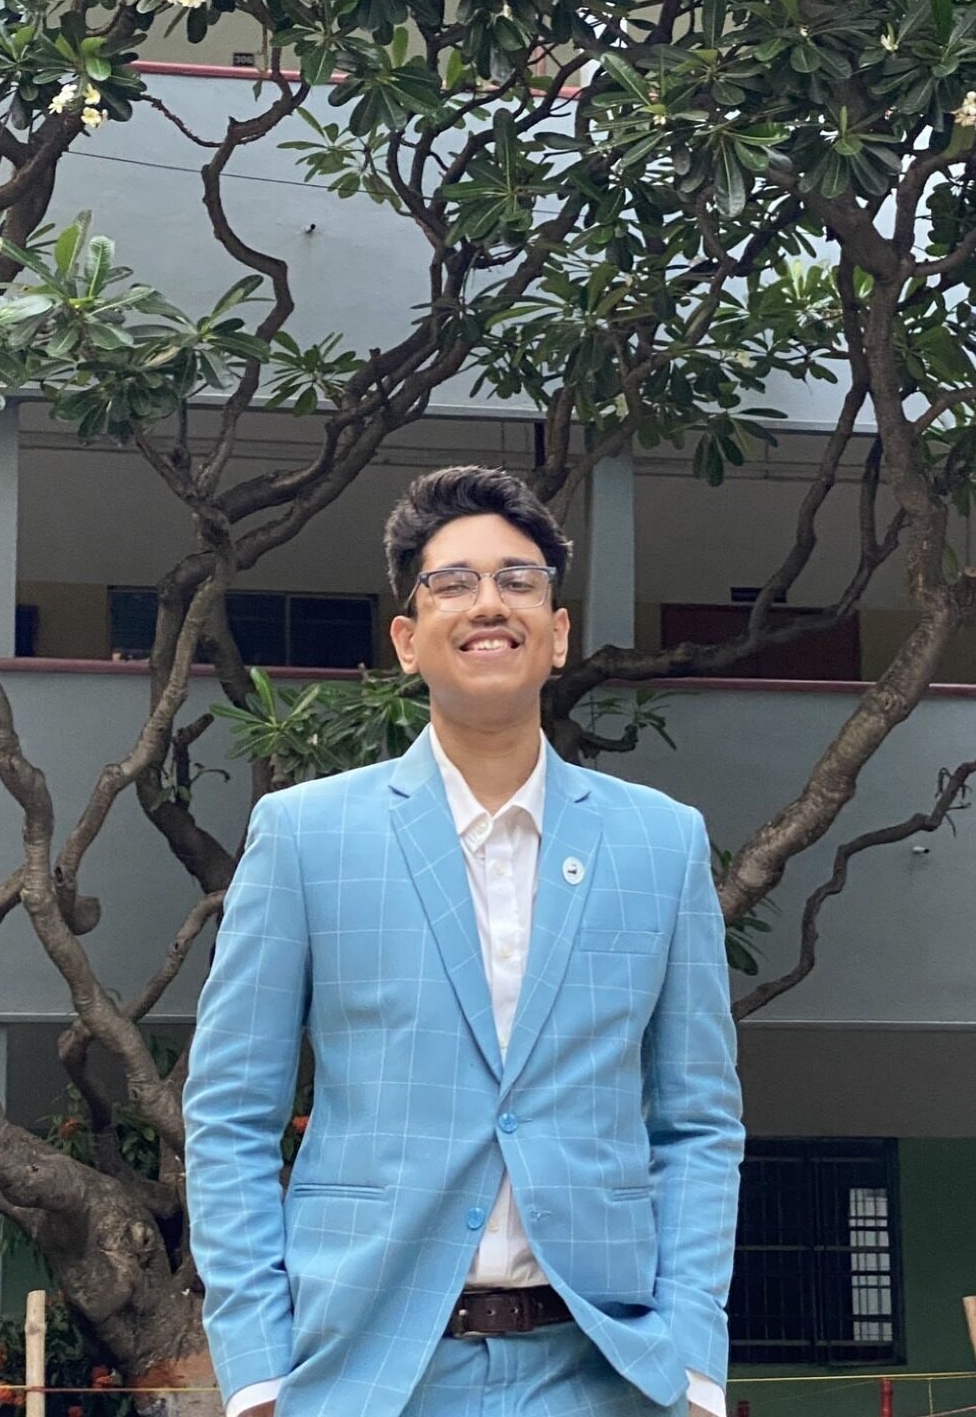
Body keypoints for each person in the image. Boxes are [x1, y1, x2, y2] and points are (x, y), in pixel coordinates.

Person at [184, 465, 745, 1417]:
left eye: (518, 580)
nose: (490, 603)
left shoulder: (661, 843)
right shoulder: (306, 836)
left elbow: (698, 1121)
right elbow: (232, 1113)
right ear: (408, 641)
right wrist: (259, 1372)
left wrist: (692, 1359)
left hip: (604, 1372)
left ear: (558, 633)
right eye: (453, 583)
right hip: (366, 1376)